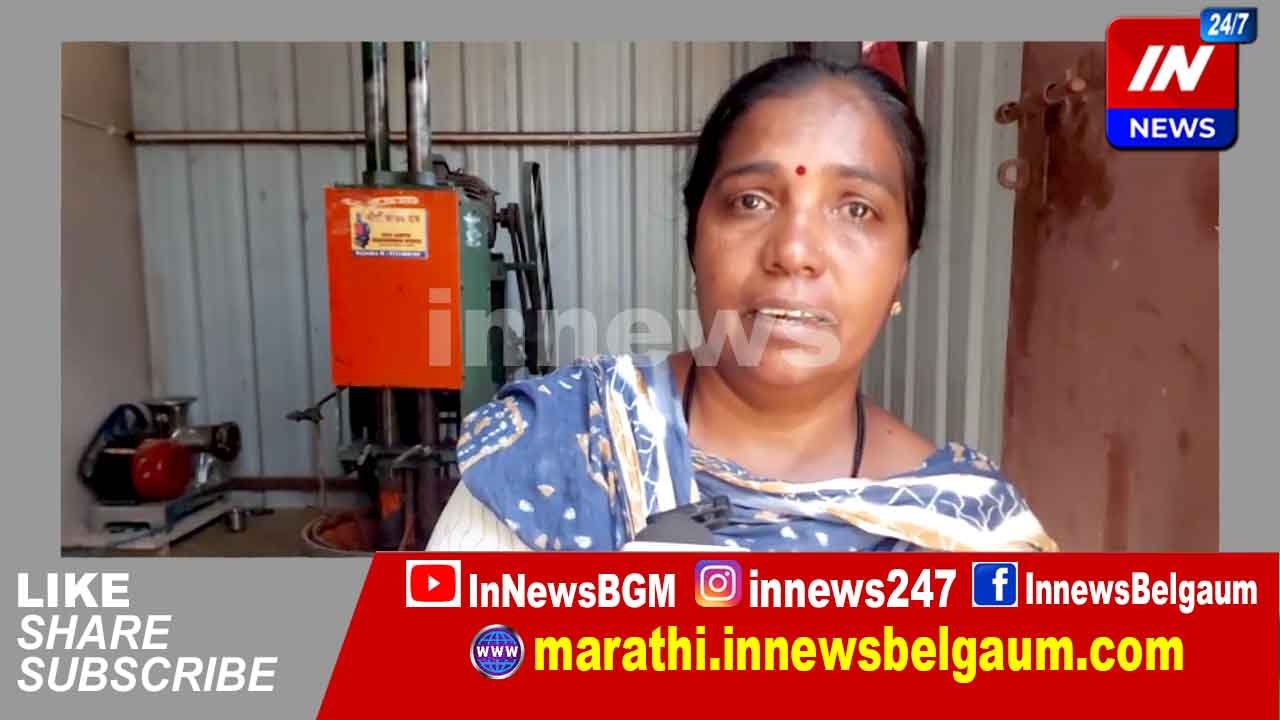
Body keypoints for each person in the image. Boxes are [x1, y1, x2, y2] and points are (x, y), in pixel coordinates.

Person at [427, 55, 1058, 553]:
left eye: (856, 209)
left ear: (901, 269)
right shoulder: (560, 451)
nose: (795, 251)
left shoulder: (971, 537)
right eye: (751, 201)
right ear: (695, 241)